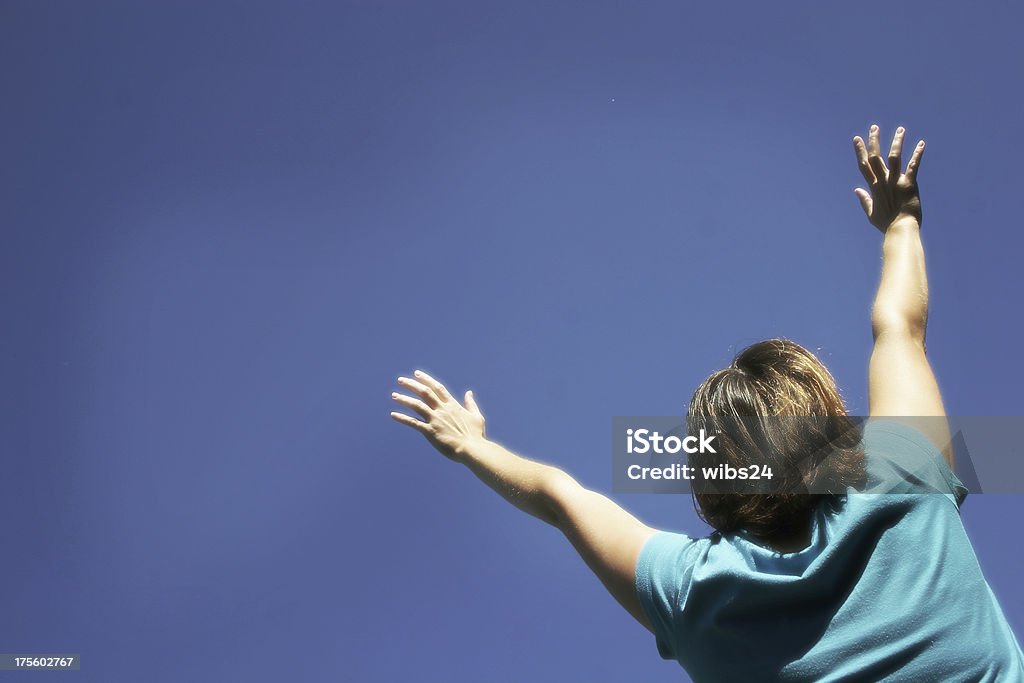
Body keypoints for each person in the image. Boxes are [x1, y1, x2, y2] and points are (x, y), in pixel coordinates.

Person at [389, 124, 1024, 681]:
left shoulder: (692, 594)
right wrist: (901, 223)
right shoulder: (902, 472)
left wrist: (472, 447)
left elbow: (560, 498)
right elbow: (899, 326)